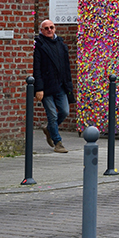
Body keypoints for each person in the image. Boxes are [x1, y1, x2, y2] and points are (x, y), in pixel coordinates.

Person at [33, 20, 75, 153]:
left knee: (64, 111)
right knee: (52, 115)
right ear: (41, 30)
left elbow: (66, 68)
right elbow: (37, 69)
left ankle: (50, 129)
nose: (49, 30)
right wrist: (38, 88)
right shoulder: (39, 45)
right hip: (46, 87)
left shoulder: (61, 44)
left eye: (51, 27)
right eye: (46, 28)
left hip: (60, 85)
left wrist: (68, 86)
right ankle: (58, 142)